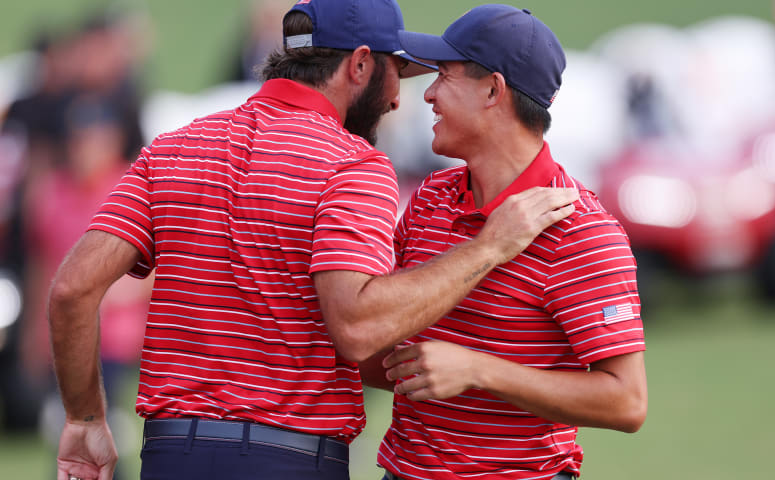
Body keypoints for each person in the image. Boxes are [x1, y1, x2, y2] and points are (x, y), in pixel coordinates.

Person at [47, 1, 580, 480]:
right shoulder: (353, 164)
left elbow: (72, 288)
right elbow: (355, 326)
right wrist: (489, 247)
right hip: (292, 458)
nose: (398, 99)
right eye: (398, 73)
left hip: (170, 457)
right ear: (361, 65)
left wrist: (84, 418)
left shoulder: (175, 147)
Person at [364, 5, 648, 479]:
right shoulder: (430, 201)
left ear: (493, 90)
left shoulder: (582, 232)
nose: (428, 93)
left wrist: (479, 370)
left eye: (445, 76)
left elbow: (627, 401)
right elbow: (378, 341)